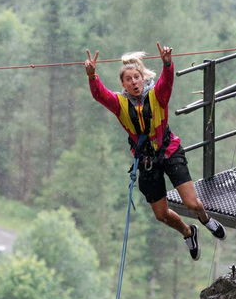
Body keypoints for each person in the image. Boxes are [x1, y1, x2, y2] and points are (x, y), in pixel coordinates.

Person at [85, 43, 226, 261]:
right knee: (161, 214)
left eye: (136, 78)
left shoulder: (157, 95)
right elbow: (99, 95)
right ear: (122, 84)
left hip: (169, 151)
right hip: (147, 160)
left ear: (142, 78)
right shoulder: (118, 103)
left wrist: (167, 63)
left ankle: (205, 219)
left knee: (192, 203)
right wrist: (92, 75)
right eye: (128, 79)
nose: (134, 82)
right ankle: (188, 232)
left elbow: (166, 82)